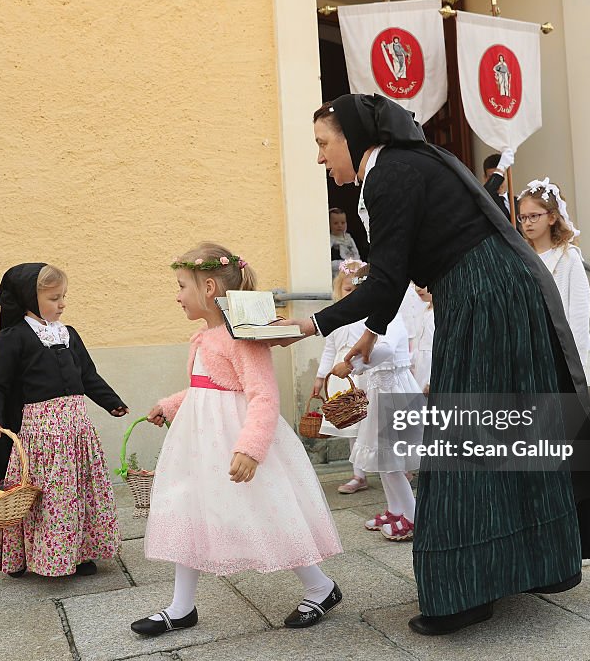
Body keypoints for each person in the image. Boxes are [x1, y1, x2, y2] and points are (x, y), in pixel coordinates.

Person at [279, 94, 590, 636]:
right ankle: (514, 567)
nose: (321, 157)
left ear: (353, 136)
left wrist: (307, 325)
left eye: (323, 143)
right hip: (497, 292)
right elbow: (393, 280)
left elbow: (387, 281)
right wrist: (367, 335)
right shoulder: (402, 167)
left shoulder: (389, 173)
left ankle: (465, 595)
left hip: (485, 296)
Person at [131, 243, 343, 637]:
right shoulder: (202, 337)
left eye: (181, 287)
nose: (176, 296)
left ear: (208, 287)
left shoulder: (242, 337)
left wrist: (250, 449)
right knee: (188, 509)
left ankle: (321, 586)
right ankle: (182, 607)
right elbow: (206, 389)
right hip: (199, 445)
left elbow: (262, 395)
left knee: (269, 510)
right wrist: (170, 404)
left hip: (235, 443)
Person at [0, 263, 128, 577]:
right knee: (47, 500)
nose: (62, 304)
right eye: (53, 298)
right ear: (29, 300)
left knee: (78, 494)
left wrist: (111, 402)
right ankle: (27, 556)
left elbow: (88, 376)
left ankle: (79, 553)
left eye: (63, 297)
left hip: (76, 433)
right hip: (42, 439)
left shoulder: (68, 334)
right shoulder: (13, 338)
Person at [328, 264, 423, 540]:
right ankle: (396, 510)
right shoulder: (373, 316)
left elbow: (385, 348)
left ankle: (413, 517)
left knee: (391, 461)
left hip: (393, 394)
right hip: (380, 391)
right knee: (383, 459)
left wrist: (352, 365)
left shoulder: (389, 316)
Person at [519, 178, 590, 386]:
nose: (527, 223)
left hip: (563, 356)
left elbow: (579, 314)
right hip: (532, 356)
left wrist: (572, 364)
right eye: (523, 217)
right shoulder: (520, 258)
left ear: (552, 217)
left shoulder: (568, 258)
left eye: (534, 216)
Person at [314, 259, 368, 494]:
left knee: (372, 424)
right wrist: (320, 377)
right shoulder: (335, 316)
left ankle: (395, 467)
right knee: (350, 425)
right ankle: (359, 474)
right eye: (347, 290)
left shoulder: (368, 314)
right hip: (340, 374)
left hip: (363, 372)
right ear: (338, 289)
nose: (352, 295)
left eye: (357, 290)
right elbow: (329, 349)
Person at [410, 285, 435, 396]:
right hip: (421, 365)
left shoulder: (439, 313)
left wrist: (431, 381)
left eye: (423, 285)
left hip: (431, 367)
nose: (417, 289)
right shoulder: (424, 310)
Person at [482, 149, 515, 220]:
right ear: (485, 178)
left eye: (502, 176)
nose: (499, 182)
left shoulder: (518, 201)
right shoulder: (485, 201)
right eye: (493, 178)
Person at [329, 207, 362, 277]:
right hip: (336, 274)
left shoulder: (349, 238)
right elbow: (327, 263)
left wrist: (356, 263)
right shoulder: (329, 240)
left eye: (343, 223)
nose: (340, 225)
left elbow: (357, 255)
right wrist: (343, 264)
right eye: (335, 223)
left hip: (351, 273)